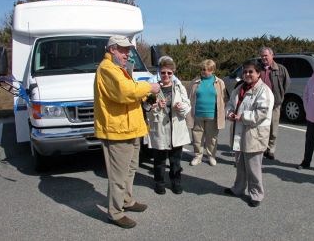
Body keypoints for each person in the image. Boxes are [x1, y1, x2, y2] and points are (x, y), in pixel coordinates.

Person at [94, 35, 160, 229]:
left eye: (128, 50)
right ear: (112, 49)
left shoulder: (119, 69)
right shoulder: (107, 69)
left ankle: (126, 200)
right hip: (117, 131)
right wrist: (150, 87)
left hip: (130, 128)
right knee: (118, 175)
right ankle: (115, 213)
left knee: (130, 170)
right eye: (123, 50)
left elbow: (131, 94)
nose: (127, 53)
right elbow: (125, 92)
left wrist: (147, 98)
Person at [225, 59, 274, 207]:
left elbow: (262, 112)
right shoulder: (239, 88)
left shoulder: (263, 90)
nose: (247, 74)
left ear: (258, 73)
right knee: (239, 164)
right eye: (245, 71)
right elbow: (231, 104)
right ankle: (238, 188)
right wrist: (230, 113)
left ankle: (256, 194)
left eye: (250, 71)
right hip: (239, 132)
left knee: (253, 168)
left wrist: (242, 117)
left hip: (254, 134)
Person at [144, 56, 191, 195]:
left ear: (173, 73)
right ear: (159, 72)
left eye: (169, 73)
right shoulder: (153, 88)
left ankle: (176, 182)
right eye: (163, 72)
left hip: (176, 129)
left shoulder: (179, 86)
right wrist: (156, 106)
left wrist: (181, 106)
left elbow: (187, 105)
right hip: (160, 128)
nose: (166, 75)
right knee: (159, 160)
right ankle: (159, 183)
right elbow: (146, 107)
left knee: (175, 160)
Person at [188, 59, 227, 166]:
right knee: (197, 138)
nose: (203, 71)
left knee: (212, 138)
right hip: (197, 115)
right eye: (202, 69)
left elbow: (224, 99)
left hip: (213, 115)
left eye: (205, 70)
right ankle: (197, 156)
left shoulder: (220, 82)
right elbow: (190, 97)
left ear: (212, 70)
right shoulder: (195, 82)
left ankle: (211, 156)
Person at [259, 47, 290, 160]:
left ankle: (271, 149)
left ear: (272, 56)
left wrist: (280, 96)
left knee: (273, 128)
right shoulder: (258, 69)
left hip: (275, 104)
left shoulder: (280, 69)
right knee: (261, 127)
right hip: (260, 104)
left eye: (266, 55)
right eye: (262, 56)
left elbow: (287, 83)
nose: (264, 58)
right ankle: (262, 148)